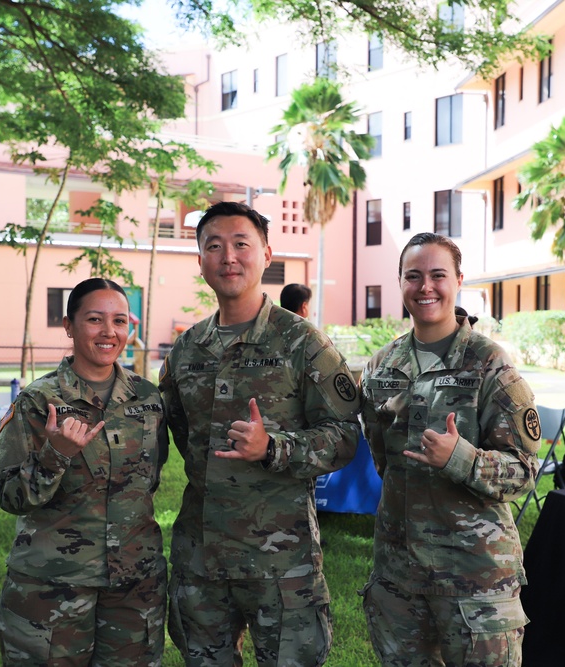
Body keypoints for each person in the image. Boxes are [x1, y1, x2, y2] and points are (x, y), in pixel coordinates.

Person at [159, 200, 361, 667]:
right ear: (201, 261)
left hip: (281, 561)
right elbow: (175, 428)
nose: (228, 256)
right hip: (202, 559)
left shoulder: (303, 343)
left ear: (267, 255)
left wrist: (273, 449)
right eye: (214, 246)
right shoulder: (188, 350)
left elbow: (344, 436)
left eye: (241, 244)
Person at [358, 232, 541, 667]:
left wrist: (461, 458)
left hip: (474, 579)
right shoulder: (382, 365)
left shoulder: (489, 363)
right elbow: (381, 456)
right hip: (399, 577)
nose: (426, 287)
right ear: (400, 282)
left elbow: (524, 471)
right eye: (413, 276)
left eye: (438, 275)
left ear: (458, 280)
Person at [0, 278, 168, 666]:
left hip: (135, 585)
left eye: (120, 321)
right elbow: (11, 498)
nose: (109, 332)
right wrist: (56, 455)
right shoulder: (38, 401)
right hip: (54, 586)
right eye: (94, 319)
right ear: (69, 326)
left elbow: (150, 478)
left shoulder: (147, 398)